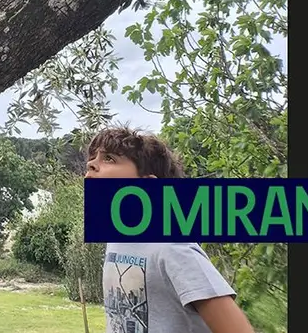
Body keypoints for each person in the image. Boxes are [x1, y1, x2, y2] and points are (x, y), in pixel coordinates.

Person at [84, 127, 256, 333]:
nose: (91, 164)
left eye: (109, 159)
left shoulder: (172, 247)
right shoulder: (115, 238)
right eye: (93, 158)